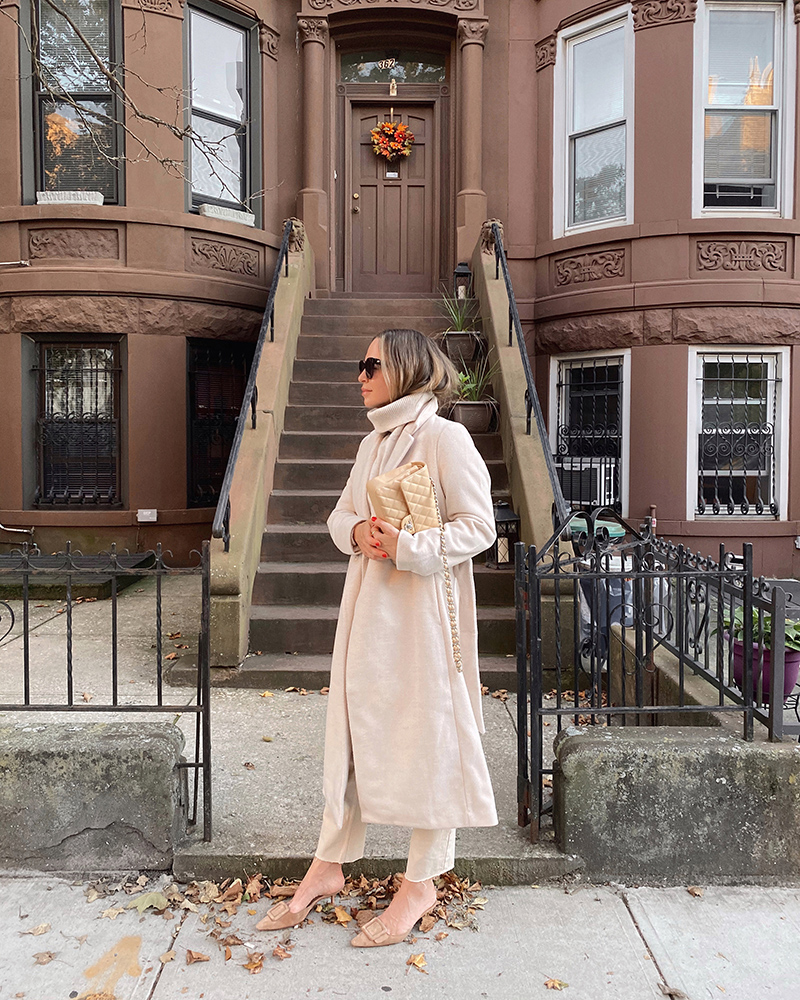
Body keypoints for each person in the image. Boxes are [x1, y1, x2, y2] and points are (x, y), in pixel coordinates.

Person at [256, 328, 498, 948]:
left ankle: (420, 883)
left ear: (407, 371)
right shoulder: (374, 443)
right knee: (353, 728)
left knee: (432, 736)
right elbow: (338, 516)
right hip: (367, 610)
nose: (359, 376)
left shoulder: (447, 436)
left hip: (424, 614)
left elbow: (481, 529)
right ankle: (329, 862)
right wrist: (360, 531)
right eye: (359, 365)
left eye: (370, 365)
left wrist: (409, 547)